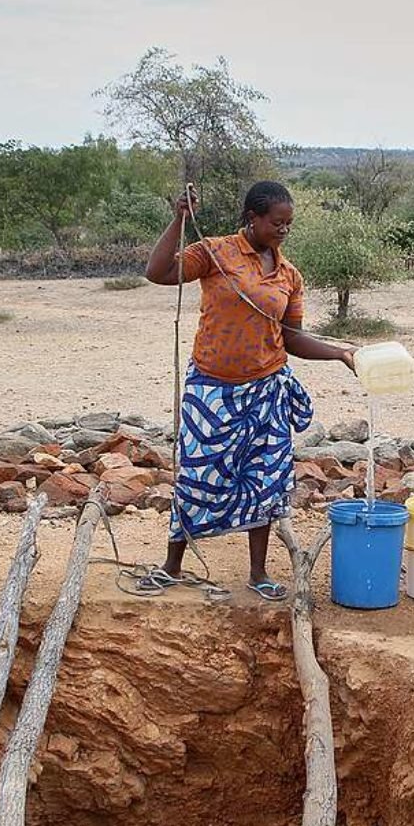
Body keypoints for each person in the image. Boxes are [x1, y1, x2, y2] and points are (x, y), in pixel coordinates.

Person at [144, 181, 354, 600]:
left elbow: (291, 338)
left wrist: (338, 353)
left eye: (289, 224)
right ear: (252, 218)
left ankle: (258, 572)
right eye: (277, 222)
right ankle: (172, 565)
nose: (283, 230)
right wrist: (179, 218)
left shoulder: (289, 276)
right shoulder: (216, 253)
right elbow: (158, 273)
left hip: (267, 390)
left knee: (265, 480)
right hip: (211, 390)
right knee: (197, 476)